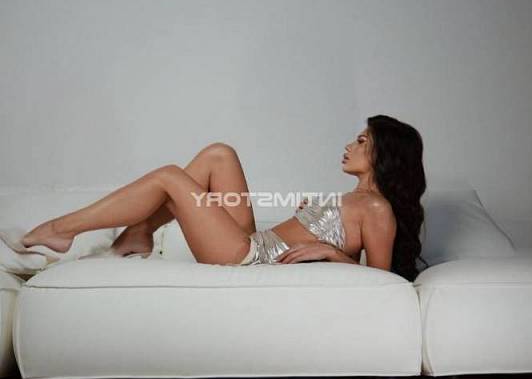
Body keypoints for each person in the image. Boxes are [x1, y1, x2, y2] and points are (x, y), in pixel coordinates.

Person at [18, 114, 428, 281]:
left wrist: (329, 252)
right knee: (219, 154)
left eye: (362, 141)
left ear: (385, 154)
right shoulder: (354, 199)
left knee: (169, 177)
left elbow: (383, 282)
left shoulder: (378, 208)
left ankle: (60, 230)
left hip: (251, 258)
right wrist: (310, 218)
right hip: (256, 242)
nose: (349, 146)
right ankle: (138, 234)